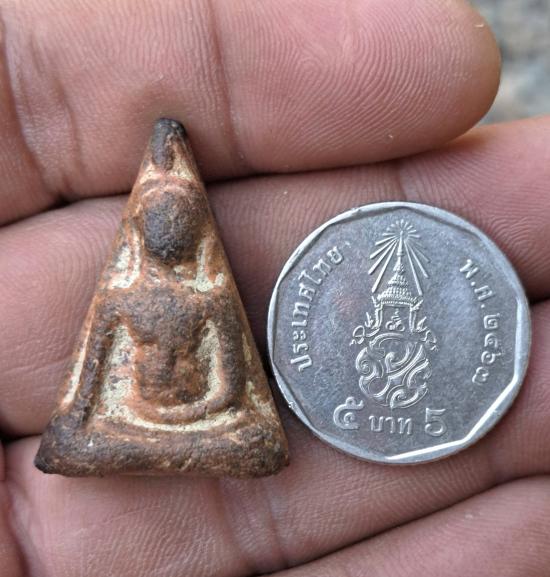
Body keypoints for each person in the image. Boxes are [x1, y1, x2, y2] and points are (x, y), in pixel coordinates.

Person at [0, 0, 548, 575]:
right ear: (139, 230)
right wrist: (110, 427)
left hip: (201, 420)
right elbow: (86, 397)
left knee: (255, 443)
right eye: (160, 223)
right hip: (128, 422)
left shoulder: (208, 298)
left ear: (194, 231)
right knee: (75, 444)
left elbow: (228, 393)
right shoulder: (122, 300)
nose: (171, 235)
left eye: (181, 223)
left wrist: (194, 417)